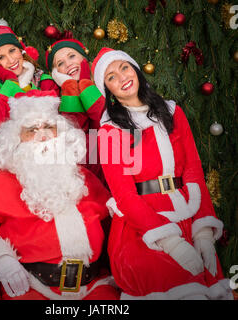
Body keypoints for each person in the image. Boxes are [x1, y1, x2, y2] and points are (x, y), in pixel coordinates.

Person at [0, 91, 120, 300]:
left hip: (95, 286)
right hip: (34, 288)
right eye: (32, 130)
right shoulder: (0, 184)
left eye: (49, 127)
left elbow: (114, 214)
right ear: (16, 140)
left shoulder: (83, 177)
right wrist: (1, 258)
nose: (43, 135)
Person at [91, 47, 234, 300]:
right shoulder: (110, 132)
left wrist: (202, 234)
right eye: (111, 76)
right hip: (143, 229)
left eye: (124, 67)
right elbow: (124, 196)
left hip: (188, 214)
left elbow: (193, 172)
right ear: (108, 91)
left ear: (135, 70)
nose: (121, 77)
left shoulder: (172, 112)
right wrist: (170, 242)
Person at [0, 24, 59, 192]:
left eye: (12, 51)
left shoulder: (43, 80)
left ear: (21, 50)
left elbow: (50, 112)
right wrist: (10, 82)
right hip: (8, 149)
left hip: (39, 145)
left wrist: (23, 91)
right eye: (0, 58)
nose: (10, 60)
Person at [45, 38, 105, 180]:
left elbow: (106, 122)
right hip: (87, 172)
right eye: (60, 63)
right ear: (56, 73)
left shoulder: (105, 82)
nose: (68, 64)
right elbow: (74, 136)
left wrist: (86, 84)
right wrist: (70, 87)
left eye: (72, 56)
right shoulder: (59, 101)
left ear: (83, 58)